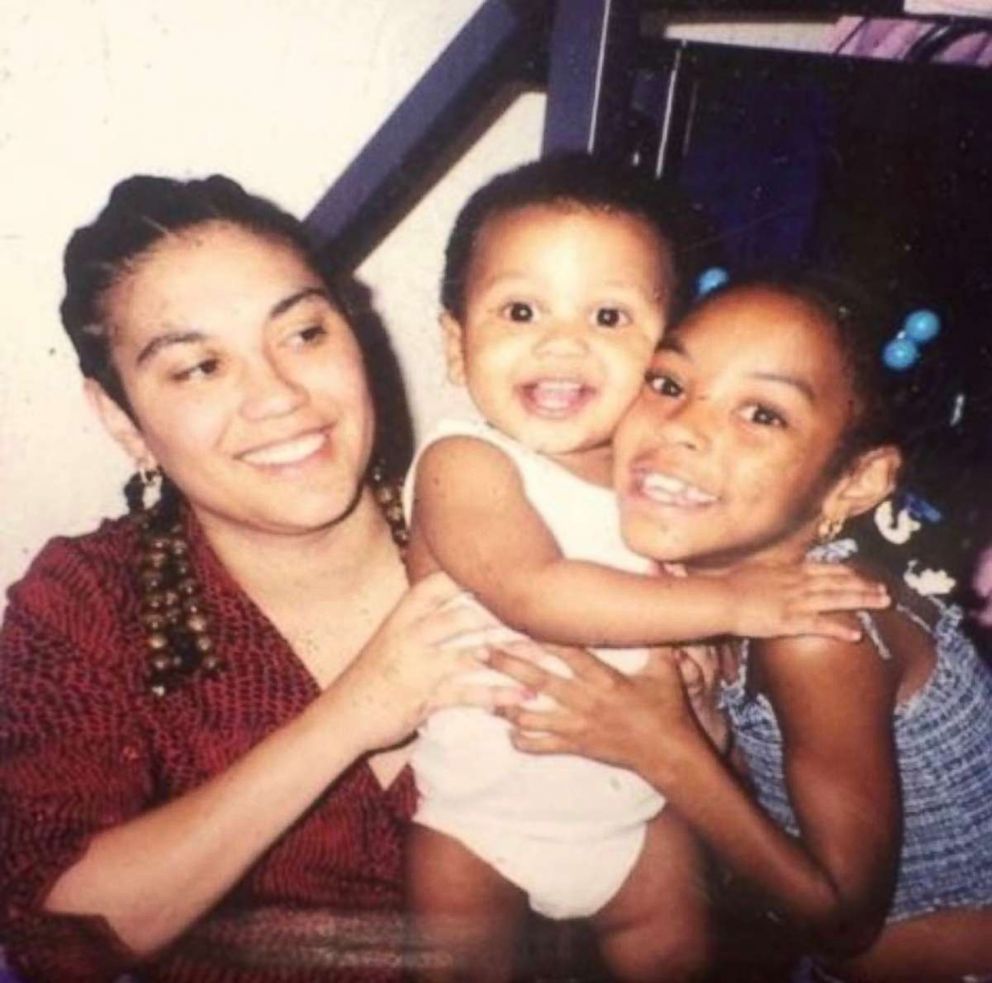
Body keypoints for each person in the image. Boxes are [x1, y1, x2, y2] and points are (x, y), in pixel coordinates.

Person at [0, 174, 514, 982]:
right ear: (120, 419)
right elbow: (53, 927)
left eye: (305, 333)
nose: (277, 395)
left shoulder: (515, 526)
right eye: (200, 367)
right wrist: (355, 712)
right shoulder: (88, 600)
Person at [404, 158, 889, 981]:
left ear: (660, 350)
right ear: (456, 345)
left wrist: (704, 686)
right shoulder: (465, 464)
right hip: (473, 820)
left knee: (676, 956)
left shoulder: (653, 485)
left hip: (635, 815)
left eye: (609, 315)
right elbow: (538, 593)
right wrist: (727, 602)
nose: (562, 343)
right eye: (520, 310)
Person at [489, 275, 992, 983]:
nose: (684, 427)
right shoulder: (713, 594)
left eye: (761, 413)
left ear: (854, 483)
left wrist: (662, 746)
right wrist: (702, 734)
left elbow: (843, 914)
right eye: (667, 383)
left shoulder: (818, 632)